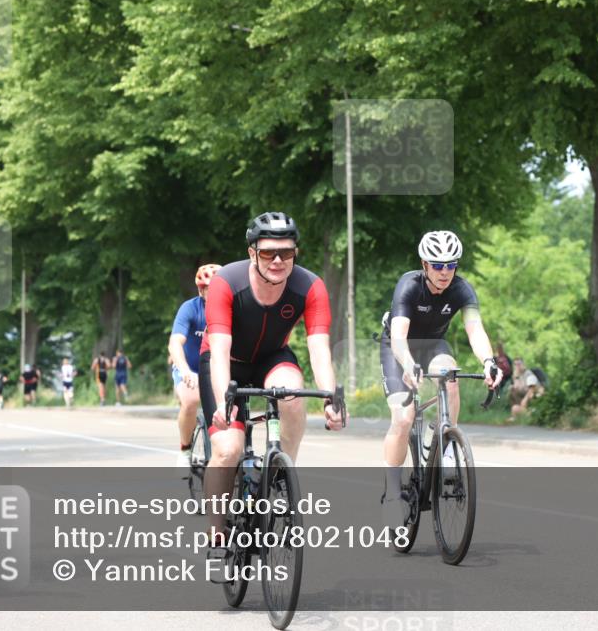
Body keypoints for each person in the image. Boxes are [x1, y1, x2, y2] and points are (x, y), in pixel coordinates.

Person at [200, 212, 345, 560]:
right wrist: (224, 401)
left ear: (296, 252)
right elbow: (219, 350)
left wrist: (331, 397)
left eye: (286, 252)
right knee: (227, 450)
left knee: (293, 393)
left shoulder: (310, 286)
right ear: (252, 253)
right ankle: (217, 532)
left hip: (271, 358)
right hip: (226, 363)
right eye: (268, 253)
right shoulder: (227, 282)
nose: (278, 260)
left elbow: (318, 348)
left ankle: (281, 471)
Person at [379, 230, 502, 528]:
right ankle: (393, 492)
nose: (445, 272)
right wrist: (408, 364)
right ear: (425, 264)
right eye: (438, 265)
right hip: (400, 349)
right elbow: (398, 338)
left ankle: (445, 444)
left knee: (451, 377)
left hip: (434, 346)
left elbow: (475, 329)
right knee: (404, 418)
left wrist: (488, 362)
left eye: (451, 265)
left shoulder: (461, 289)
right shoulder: (409, 286)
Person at [168, 263, 219, 469]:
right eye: (210, 289)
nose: (216, 293)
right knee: (190, 401)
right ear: (201, 289)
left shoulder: (233, 309)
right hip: (190, 368)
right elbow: (174, 343)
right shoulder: (190, 308)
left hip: (217, 368)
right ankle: (185, 448)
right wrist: (185, 370)